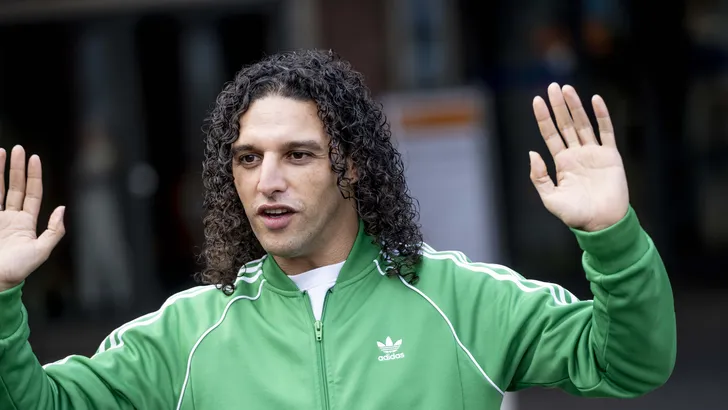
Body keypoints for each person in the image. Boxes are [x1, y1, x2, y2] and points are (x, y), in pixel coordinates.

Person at [0, 49, 675, 409]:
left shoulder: (464, 300)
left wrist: (612, 235)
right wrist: (2, 297)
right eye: (248, 159)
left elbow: (632, 363)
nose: (267, 180)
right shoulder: (186, 333)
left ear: (350, 166)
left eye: (297, 155)